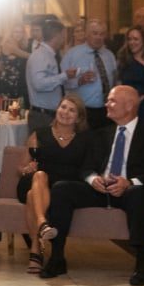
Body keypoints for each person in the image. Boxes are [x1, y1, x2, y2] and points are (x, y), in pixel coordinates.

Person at [37, 85, 144, 286]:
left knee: (138, 193)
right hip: (101, 190)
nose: (106, 104)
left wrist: (129, 183)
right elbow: (85, 168)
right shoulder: (100, 134)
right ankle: (57, 258)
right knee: (61, 188)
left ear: (129, 105)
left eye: (112, 101)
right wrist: (93, 179)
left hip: (133, 191)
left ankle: (142, 264)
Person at [17, 95, 91, 274]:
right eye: (63, 107)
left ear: (79, 118)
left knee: (31, 197)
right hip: (36, 182)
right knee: (40, 175)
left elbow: (87, 169)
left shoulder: (85, 139)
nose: (65, 112)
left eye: (72, 110)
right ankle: (43, 223)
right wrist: (28, 168)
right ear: (57, 109)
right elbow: (21, 167)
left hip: (63, 189)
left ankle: (36, 250)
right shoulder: (39, 134)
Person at [23, 16, 70, 132]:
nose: (65, 39)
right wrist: (64, 76)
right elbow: (39, 84)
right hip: (42, 116)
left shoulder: (50, 55)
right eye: (64, 35)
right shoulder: (41, 56)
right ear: (57, 36)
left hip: (49, 114)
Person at [60, 17, 117, 110]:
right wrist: (79, 81)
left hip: (108, 109)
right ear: (86, 34)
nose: (98, 37)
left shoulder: (109, 56)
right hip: (82, 110)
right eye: (95, 33)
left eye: (102, 34)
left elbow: (115, 81)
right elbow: (62, 83)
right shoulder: (72, 55)